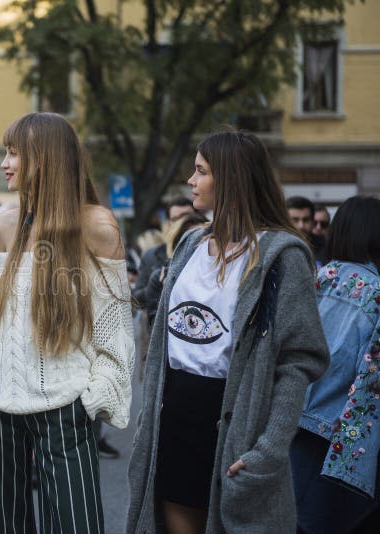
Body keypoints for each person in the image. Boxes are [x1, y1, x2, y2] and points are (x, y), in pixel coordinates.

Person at [0, 112, 135, 533]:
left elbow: (114, 326)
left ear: (45, 159)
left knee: (76, 524)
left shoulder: (98, 225)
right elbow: (1, 321)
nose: (4, 163)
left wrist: (97, 390)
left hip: (65, 406)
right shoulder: (8, 222)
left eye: (14, 153)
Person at [127, 130, 330, 534]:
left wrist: (270, 447)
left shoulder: (281, 256)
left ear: (231, 179)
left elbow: (300, 359)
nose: (191, 181)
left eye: (200, 172)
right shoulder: (189, 244)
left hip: (235, 420)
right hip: (175, 415)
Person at [291, 195, 380, 533]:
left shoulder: (314, 277)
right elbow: (371, 383)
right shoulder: (376, 293)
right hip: (342, 435)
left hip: (294, 419)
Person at [143, 211, 209, 327]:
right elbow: (157, 332)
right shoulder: (160, 278)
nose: (199, 247)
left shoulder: (218, 276)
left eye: (205, 240)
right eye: (191, 241)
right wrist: (168, 292)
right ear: (177, 246)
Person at [287, 195, 327, 266]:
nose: (301, 226)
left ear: (312, 221)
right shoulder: (275, 248)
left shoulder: (326, 247)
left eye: (306, 220)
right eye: (295, 220)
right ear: (286, 221)